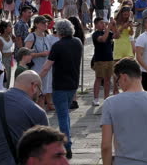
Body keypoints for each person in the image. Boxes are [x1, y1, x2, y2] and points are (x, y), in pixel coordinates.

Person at [101, 58, 147, 165]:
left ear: (124, 77)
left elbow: (106, 146)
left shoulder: (109, 103)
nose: (118, 84)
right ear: (140, 76)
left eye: (117, 80)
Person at [39, 19, 83, 159]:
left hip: (59, 85)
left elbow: (46, 67)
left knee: (62, 116)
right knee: (66, 114)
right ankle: (67, 140)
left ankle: (67, 145)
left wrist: (36, 79)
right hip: (73, 84)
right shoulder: (78, 42)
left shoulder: (57, 46)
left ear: (59, 31)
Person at [25, 16, 54, 110]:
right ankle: (35, 112)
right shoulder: (32, 36)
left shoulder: (47, 36)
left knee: (44, 92)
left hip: (46, 67)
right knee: (36, 91)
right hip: (36, 68)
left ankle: (41, 111)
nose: (45, 24)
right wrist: (40, 54)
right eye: (43, 23)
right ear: (36, 24)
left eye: (46, 23)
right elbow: (26, 53)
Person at [92, 17, 114, 106]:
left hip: (109, 59)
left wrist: (114, 25)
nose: (103, 24)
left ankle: (106, 98)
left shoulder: (108, 32)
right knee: (99, 78)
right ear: (96, 25)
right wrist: (108, 28)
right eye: (101, 23)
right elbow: (103, 39)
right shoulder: (95, 34)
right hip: (100, 60)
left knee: (108, 80)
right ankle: (96, 98)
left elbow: (117, 35)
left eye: (104, 23)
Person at [0, 21, 15, 88]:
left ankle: (7, 90)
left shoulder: (10, 35)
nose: (11, 27)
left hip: (10, 59)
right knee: (5, 77)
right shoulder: (0, 39)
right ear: (5, 28)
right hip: (4, 60)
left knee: (9, 76)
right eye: (9, 26)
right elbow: (0, 53)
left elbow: (15, 40)